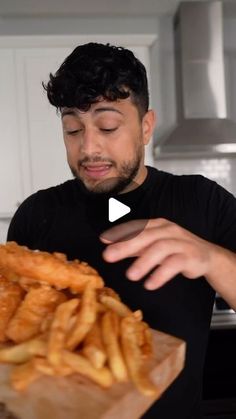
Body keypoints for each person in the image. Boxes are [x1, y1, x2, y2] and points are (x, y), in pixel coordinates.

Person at [7, 42, 236, 419]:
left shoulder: (201, 200)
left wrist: (212, 258)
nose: (88, 147)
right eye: (72, 129)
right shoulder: (36, 214)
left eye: (108, 126)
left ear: (146, 127)